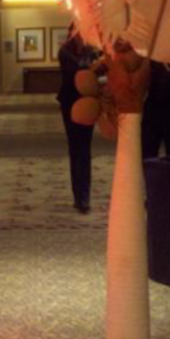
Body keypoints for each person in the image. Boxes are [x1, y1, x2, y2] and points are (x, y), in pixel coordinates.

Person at [57, 30, 97, 214]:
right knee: (76, 150)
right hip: (70, 104)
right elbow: (76, 74)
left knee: (85, 150)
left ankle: (84, 197)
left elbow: (99, 74)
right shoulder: (65, 52)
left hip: (88, 103)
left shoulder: (91, 52)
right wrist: (94, 67)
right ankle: (78, 196)